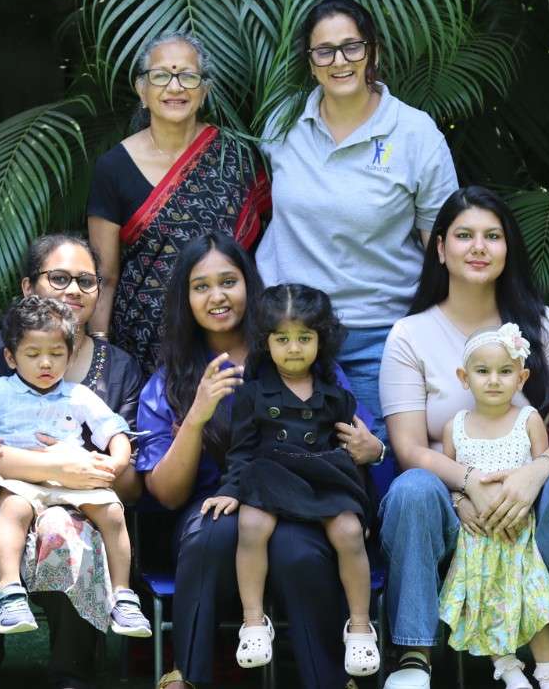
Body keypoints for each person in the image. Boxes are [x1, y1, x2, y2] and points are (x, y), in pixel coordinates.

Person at [379, 186, 549, 689]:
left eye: (492, 236)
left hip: (534, 501)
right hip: (453, 507)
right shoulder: (409, 335)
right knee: (410, 489)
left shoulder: (545, 325)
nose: (478, 247)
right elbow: (408, 448)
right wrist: (466, 485)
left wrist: (534, 475)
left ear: (508, 248)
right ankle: (413, 656)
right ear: (440, 248)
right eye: (464, 235)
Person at [135, 232, 386, 689]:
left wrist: (374, 449)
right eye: (200, 285)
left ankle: (329, 679)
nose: (216, 296)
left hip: (303, 497)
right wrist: (196, 416)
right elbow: (166, 494)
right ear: (185, 298)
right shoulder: (171, 377)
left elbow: (359, 434)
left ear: (249, 286)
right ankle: (188, 676)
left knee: (296, 549)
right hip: (218, 500)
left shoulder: (297, 351)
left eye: (228, 281)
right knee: (213, 533)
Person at [0, 232, 146, 689]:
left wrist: (87, 472)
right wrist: (58, 467)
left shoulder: (119, 368)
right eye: (59, 278)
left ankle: (72, 673)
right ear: (28, 287)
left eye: (86, 281)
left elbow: (128, 478)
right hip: (1, 497)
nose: (74, 290)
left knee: (71, 536)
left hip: (83, 500)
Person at [256, 0, 458, 436]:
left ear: (373, 52)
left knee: (375, 465)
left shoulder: (415, 133)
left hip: (378, 334)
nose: (339, 61)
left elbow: (443, 245)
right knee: (287, 466)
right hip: (289, 329)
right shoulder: (281, 125)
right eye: (323, 51)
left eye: (352, 46)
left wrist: (451, 330)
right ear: (310, 63)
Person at [199, 284, 378, 677]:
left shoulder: (335, 396)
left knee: (348, 532)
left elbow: (354, 454)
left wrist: (363, 503)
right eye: (282, 339)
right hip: (271, 473)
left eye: (304, 338)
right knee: (251, 522)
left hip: (324, 474)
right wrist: (230, 489)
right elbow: (241, 450)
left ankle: (361, 627)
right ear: (266, 341)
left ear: (322, 339)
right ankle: (253, 622)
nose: (293, 348)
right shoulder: (253, 393)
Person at [87, 31, 269, 370]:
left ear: (205, 90)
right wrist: (101, 358)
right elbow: (105, 276)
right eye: (161, 76)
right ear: (143, 90)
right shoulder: (113, 166)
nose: (175, 87)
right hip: (143, 345)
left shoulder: (236, 155)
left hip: (230, 343)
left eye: (188, 76)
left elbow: (259, 254)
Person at [437, 324, 549, 689]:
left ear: (521, 378)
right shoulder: (455, 427)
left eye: (505, 371)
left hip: (520, 537)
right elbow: (450, 480)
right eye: (482, 371)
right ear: (464, 378)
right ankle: (509, 671)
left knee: (535, 602)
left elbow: (544, 476)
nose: (494, 380)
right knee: (486, 601)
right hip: (477, 541)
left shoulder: (528, 420)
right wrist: (460, 501)